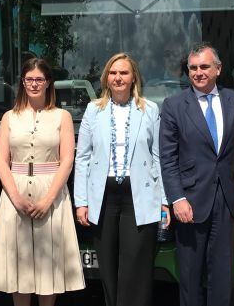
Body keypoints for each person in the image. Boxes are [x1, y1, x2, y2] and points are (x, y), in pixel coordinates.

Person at [0, 58, 84, 306]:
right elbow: (1, 162)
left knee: (48, 265)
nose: (34, 84)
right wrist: (15, 198)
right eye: (29, 79)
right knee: (20, 264)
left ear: (48, 82)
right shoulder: (9, 117)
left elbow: (67, 161)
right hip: (14, 192)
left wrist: (48, 199)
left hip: (51, 191)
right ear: (22, 82)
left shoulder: (62, 117)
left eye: (39, 79)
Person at [74, 53, 169, 306]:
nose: (118, 77)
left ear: (133, 77)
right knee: (107, 266)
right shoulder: (94, 110)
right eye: (113, 73)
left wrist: (164, 201)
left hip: (138, 195)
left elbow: (158, 157)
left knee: (135, 267)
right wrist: (81, 202)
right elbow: (82, 157)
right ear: (106, 77)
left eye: (124, 73)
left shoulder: (149, 109)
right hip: (103, 197)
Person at [159, 42, 234, 306]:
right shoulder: (174, 105)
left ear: (218, 69)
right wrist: (177, 199)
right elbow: (168, 158)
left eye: (204, 66)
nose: (198, 72)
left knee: (222, 273)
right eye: (193, 68)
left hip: (227, 199)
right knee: (190, 274)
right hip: (190, 201)